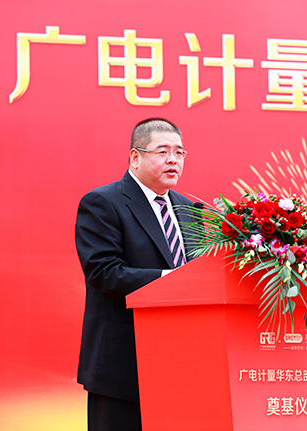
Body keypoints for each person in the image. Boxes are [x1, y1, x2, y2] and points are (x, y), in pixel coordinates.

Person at [74, 118, 198, 431]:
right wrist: (172, 280)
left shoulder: (191, 210)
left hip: (183, 362)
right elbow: (105, 273)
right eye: (162, 152)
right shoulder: (104, 202)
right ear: (135, 157)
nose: (173, 160)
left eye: (179, 152)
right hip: (123, 365)